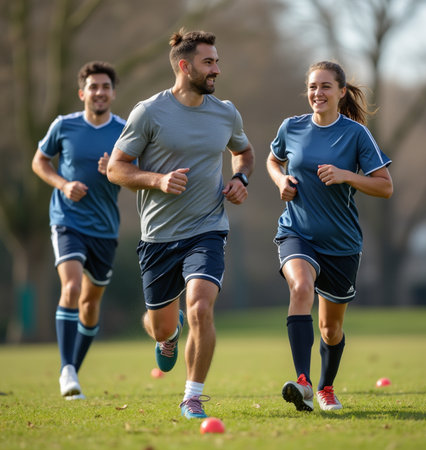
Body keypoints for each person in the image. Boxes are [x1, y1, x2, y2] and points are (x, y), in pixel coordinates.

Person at [107, 29, 255, 419]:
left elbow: (244, 152)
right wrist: (156, 180)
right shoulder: (149, 112)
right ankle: (168, 336)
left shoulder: (226, 112)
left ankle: (192, 395)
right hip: (157, 237)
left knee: (201, 308)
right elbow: (116, 168)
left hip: (207, 230)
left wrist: (240, 179)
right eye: (209, 62)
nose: (217, 70)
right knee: (162, 325)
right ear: (184, 66)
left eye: (218, 61)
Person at [267, 61, 393, 412]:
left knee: (330, 329)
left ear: (340, 92)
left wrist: (345, 176)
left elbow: (385, 187)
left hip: (341, 243)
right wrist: (281, 181)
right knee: (300, 287)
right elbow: (273, 161)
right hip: (297, 232)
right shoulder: (291, 127)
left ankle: (325, 387)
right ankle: (303, 382)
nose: (317, 93)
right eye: (312, 87)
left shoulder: (355, 134)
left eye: (325, 87)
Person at [32, 61, 126, 400]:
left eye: (105, 87)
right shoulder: (64, 125)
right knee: (70, 287)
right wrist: (62, 184)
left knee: (89, 302)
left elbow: (138, 176)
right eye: (93, 86)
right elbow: (39, 161)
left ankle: (73, 368)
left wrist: (114, 170)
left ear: (113, 93)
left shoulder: (124, 131)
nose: (99, 92)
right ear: (82, 92)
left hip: (105, 228)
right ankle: (66, 370)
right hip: (67, 220)